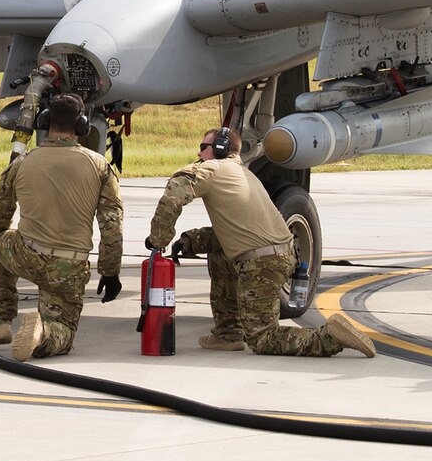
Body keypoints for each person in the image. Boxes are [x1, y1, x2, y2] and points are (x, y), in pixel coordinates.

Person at [146, 128, 375, 359]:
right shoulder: (240, 172)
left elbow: (174, 193)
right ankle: (228, 334)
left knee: (263, 339)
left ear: (219, 148)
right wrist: (191, 241)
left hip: (262, 264)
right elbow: (237, 231)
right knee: (219, 252)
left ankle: (330, 337)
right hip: (276, 256)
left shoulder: (213, 168)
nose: (199, 152)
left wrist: (158, 240)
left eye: (203, 147)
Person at [0, 93, 124, 360]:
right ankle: (43, 334)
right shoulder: (100, 166)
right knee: (63, 331)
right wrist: (110, 272)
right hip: (70, 265)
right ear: (82, 126)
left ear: (44, 122)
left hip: (27, 253)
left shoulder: (22, 163)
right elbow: (112, 227)